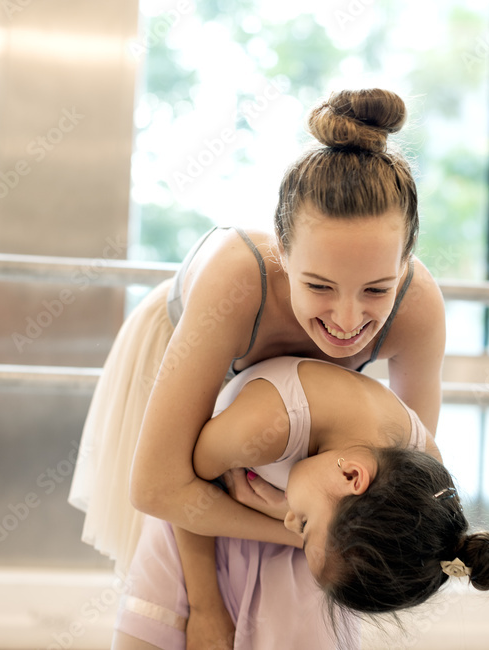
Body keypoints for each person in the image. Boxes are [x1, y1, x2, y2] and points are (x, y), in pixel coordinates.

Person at [69, 87, 446, 569]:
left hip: (286, 433)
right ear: (282, 253)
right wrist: (301, 530)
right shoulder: (237, 282)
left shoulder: (418, 309)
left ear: (406, 260)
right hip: (182, 348)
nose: (348, 322)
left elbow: (407, 484)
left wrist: (311, 521)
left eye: (376, 289)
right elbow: (160, 487)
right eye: (319, 286)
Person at [113, 356, 489, 649]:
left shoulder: (417, 477)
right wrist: (206, 607)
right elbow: (181, 489)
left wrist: (288, 516)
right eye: (303, 524)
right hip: (200, 533)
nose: (289, 523)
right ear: (351, 475)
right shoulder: (267, 426)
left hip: (298, 564)